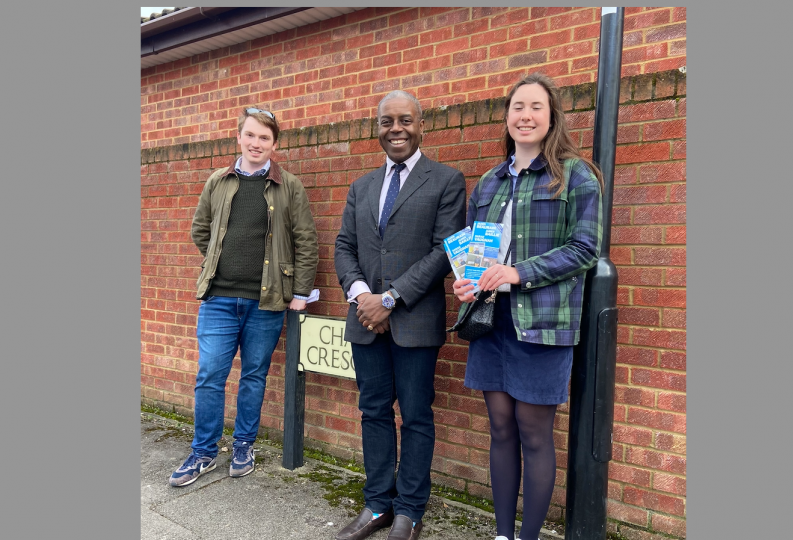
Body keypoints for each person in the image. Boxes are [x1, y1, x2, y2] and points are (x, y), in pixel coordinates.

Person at [452, 73, 604, 540]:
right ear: (507, 116)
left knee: (534, 434)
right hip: (491, 322)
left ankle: (530, 536)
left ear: (551, 115)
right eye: (518, 107)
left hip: (543, 325)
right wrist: (467, 281)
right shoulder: (489, 182)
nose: (526, 116)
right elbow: (476, 254)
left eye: (536, 107)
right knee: (500, 429)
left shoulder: (574, 175)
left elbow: (586, 249)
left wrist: (519, 272)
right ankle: (503, 534)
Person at [334, 90, 466, 540]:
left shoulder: (446, 180)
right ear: (377, 127)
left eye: (405, 120)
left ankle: (409, 509)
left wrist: (389, 299)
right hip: (365, 321)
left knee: (415, 416)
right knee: (372, 412)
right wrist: (362, 295)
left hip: (414, 322)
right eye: (387, 121)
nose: (396, 129)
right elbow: (344, 247)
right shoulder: (362, 186)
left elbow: (444, 252)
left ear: (421, 125)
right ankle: (377, 506)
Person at [169, 107, 319, 487]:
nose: (256, 143)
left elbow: (306, 241)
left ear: (274, 144)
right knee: (209, 376)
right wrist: (221, 260)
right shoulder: (218, 181)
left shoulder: (291, 186)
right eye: (250, 135)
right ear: (239, 137)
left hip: (267, 302)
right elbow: (200, 229)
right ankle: (203, 452)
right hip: (219, 298)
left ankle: (243, 446)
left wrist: (300, 293)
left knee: (254, 376)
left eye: (264, 138)